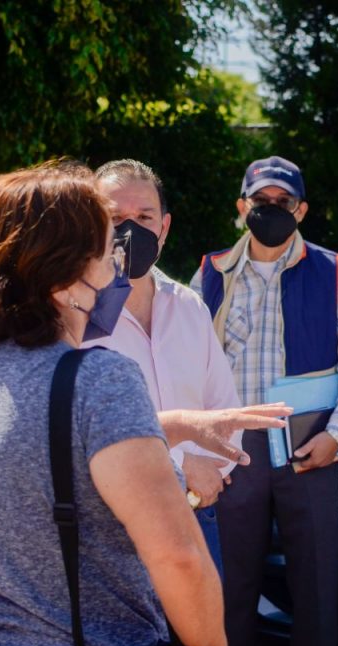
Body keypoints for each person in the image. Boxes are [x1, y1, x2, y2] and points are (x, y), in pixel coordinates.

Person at [0, 162, 294, 646]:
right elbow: (179, 558)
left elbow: (37, 457)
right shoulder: (98, 379)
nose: (118, 257)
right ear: (69, 267)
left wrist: (177, 425)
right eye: (106, 244)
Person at [191, 156, 338, 646]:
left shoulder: (335, 271)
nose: (271, 211)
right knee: (231, 588)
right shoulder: (210, 273)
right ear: (241, 208)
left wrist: (336, 437)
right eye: (261, 202)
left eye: (283, 203)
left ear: (301, 209)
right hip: (233, 452)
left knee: (316, 590)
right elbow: (188, 366)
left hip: (309, 448)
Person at [84, 159, 278, 574]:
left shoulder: (188, 306)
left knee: (197, 640)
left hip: (194, 515)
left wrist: (205, 477)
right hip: (110, 525)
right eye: (114, 217)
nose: (129, 229)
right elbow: (79, 427)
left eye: (143, 217)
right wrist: (179, 467)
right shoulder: (72, 314)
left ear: (164, 227)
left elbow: (224, 409)